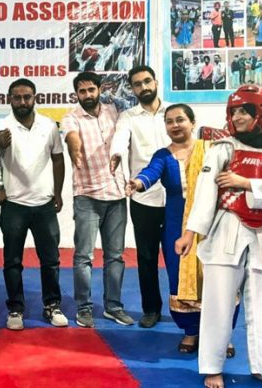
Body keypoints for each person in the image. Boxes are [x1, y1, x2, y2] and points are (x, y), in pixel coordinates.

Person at [176, 85, 262, 388]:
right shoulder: (223, 148)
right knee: (218, 303)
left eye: (244, 111)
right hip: (227, 229)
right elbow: (205, 194)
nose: (236, 117)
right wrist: (190, 233)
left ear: (261, 113)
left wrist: (246, 183)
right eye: (233, 111)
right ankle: (212, 367)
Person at [125, 104, 238, 355]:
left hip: (214, 226)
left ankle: (223, 336)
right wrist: (138, 183)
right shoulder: (163, 156)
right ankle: (191, 331)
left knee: (219, 280)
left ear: (192, 122)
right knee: (181, 279)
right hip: (177, 227)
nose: (175, 125)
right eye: (169, 121)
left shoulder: (211, 151)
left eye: (180, 120)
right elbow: (150, 173)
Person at [0, 78, 67, 330]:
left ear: (35, 98)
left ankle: (52, 305)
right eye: (17, 97)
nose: (22, 101)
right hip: (14, 204)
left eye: (27, 97)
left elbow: (58, 159)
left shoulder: (49, 125)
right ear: (9, 99)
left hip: (44, 203)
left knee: (51, 259)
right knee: (12, 261)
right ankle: (15, 309)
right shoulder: (2, 125)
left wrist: (57, 193)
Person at [63, 71, 132, 328]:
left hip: (116, 195)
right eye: (82, 92)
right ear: (76, 94)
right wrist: (75, 149)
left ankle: (113, 306)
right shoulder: (71, 118)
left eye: (91, 90)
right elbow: (71, 138)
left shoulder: (114, 111)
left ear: (99, 89)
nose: (87, 95)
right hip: (87, 196)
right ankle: (84, 307)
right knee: (84, 256)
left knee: (115, 256)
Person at [110, 65, 170, 328]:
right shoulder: (128, 117)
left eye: (147, 81)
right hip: (143, 196)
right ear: (132, 89)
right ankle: (151, 309)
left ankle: (188, 307)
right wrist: (116, 155)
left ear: (155, 82)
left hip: (178, 196)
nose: (143, 87)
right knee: (146, 257)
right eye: (137, 84)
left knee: (181, 256)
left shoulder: (174, 112)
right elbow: (119, 142)